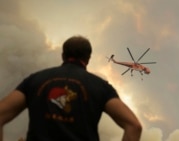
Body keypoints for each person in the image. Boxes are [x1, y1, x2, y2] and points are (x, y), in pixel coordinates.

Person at [0, 35, 142, 141]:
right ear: (88, 59)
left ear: (63, 55)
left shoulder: (35, 80)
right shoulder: (101, 87)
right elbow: (134, 126)